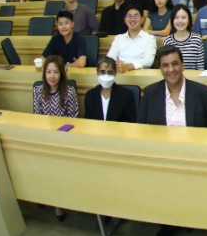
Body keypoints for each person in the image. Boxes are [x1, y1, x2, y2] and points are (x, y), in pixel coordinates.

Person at [138, 45, 207, 236]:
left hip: (196, 156)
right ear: (160, 68)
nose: (171, 70)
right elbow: (141, 130)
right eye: (165, 65)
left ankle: (187, 216)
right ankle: (169, 221)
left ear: (183, 65)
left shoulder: (203, 93)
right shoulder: (150, 93)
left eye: (175, 64)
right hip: (161, 157)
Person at [33, 55, 78, 222]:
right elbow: (37, 115)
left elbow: (73, 117)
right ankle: (44, 195)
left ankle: (58, 204)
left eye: (56, 72)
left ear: (62, 74)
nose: (52, 76)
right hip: (44, 137)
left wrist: (59, 135)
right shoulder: (38, 90)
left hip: (63, 138)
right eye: (49, 72)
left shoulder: (68, 91)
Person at [83, 56, 137, 123]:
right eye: (102, 72)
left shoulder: (126, 95)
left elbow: (130, 122)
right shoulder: (90, 95)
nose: (106, 76)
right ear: (97, 72)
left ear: (115, 73)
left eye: (110, 72)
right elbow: (88, 121)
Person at [106, 6, 157, 72]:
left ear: (142, 19)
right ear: (125, 20)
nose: (132, 19)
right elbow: (110, 58)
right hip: (121, 73)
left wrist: (128, 66)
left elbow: (148, 61)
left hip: (142, 75)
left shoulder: (150, 38)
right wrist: (117, 65)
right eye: (129, 16)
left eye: (136, 16)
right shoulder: (118, 38)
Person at [161, 5, 204, 70]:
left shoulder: (197, 40)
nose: (180, 21)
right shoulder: (167, 41)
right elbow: (165, 67)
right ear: (172, 20)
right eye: (176, 17)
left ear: (189, 20)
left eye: (183, 17)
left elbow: (200, 69)